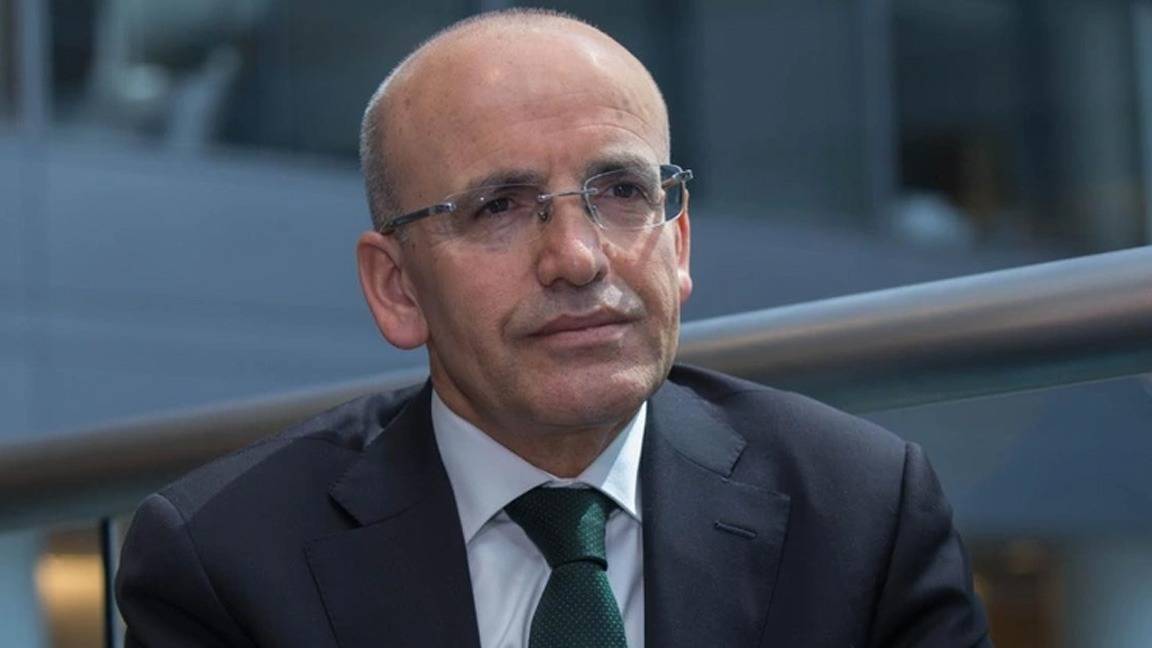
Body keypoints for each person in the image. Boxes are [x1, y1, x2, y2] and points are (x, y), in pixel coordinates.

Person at [115, 8, 990, 647]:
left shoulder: (861, 511)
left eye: (623, 192)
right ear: (397, 288)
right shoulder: (226, 563)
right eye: (499, 206)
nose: (577, 257)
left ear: (679, 244)